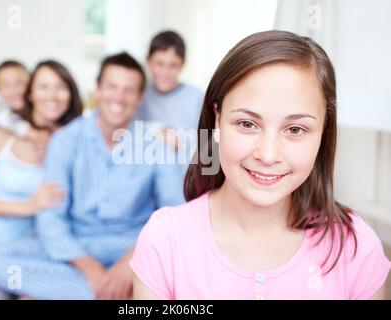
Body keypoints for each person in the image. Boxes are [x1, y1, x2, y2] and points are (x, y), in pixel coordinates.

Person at [130, 30, 391, 300]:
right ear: (217, 119)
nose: (268, 155)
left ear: (323, 131)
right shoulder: (164, 241)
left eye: (295, 129)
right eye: (247, 124)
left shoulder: (355, 245)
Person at [0, 52, 185, 300]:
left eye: (128, 90)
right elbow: (51, 218)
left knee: (184, 261)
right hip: (77, 242)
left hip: (132, 244)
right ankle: (118, 295)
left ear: (139, 98)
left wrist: (127, 266)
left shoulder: (156, 145)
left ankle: (82, 290)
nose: (119, 98)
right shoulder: (65, 140)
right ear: (97, 90)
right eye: (112, 87)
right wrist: (91, 269)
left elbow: (173, 215)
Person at [0, 60, 82, 298]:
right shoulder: (3, 130)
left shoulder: (71, 140)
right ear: (31, 93)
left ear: (71, 94)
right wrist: (29, 206)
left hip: (17, 246)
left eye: (61, 87)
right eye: (44, 87)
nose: (53, 95)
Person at [134, 30, 203, 167]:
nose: (165, 72)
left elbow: (208, 144)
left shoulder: (196, 96)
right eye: (159, 64)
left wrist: (179, 141)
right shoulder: (139, 94)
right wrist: (157, 133)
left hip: (184, 174)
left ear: (182, 65)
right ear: (148, 62)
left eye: (173, 65)